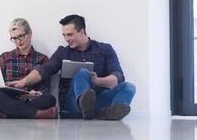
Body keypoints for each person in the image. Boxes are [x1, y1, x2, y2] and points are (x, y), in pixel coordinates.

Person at [8, 15, 136, 120]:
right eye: (64, 35)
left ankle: (106, 112)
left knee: (129, 86)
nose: (66, 39)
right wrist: (24, 82)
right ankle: (84, 104)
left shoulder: (105, 49)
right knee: (82, 72)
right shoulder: (63, 52)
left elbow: (117, 77)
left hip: (99, 97)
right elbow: (45, 70)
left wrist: (98, 81)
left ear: (82, 32)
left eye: (69, 34)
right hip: (72, 102)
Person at [0, 18, 57, 119]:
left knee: (50, 99)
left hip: (31, 99)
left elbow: (45, 88)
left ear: (30, 33)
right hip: (9, 98)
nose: (18, 41)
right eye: (14, 38)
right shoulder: (5, 57)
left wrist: (37, 94)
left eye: (21, 36)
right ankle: (37, 114)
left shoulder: (42, 58)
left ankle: (2, 114)